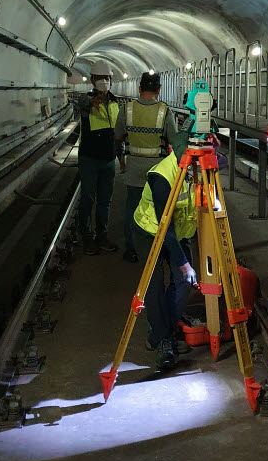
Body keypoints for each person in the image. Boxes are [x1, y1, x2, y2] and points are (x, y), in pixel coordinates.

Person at [132, 130, 198, 371]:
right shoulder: (161, 177)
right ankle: (160, 339)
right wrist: (185, 263)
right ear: (175, 153)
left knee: (183, 282)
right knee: (155, 282)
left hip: (178, 232)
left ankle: (165, 329)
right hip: (150, 231)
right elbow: (165, 230)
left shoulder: (199, 165)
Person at [114, 72, 178, 263]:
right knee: (159, 210)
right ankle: (157, 249)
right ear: (159, 90)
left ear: (139, 88)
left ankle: (132, 250)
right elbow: (174, 140)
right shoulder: (165, 111)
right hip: (158, 170)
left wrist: (123, 161)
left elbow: (117, 137)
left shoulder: (127, 109)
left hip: (133, 167)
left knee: (133, 208)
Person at [77, 60, 121, 255]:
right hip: (89, 158)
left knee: (105, 200)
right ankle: (86, 238)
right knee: (87, 198)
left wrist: (122, 157)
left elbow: (118, 133)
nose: (104, 81)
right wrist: (91, 101)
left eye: (107, 78)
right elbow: (81, 101)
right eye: (100, 78)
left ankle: (101, 236)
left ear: (110, 79)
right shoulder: (87, 100)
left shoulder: (115, 102)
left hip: (109, 159)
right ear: (93, 80)